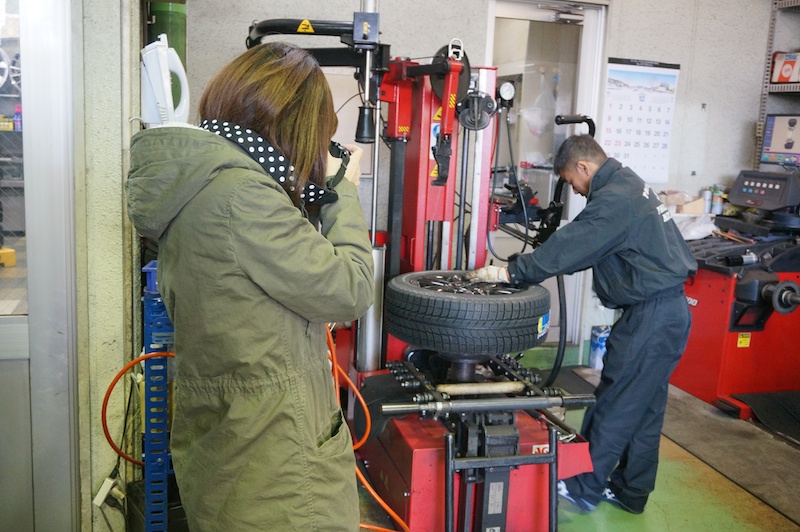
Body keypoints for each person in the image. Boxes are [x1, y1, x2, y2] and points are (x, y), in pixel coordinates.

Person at [125, 42, 374, 531]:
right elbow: (352, 287)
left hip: (232, 441)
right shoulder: (244, 197)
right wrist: (344, 188)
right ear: (295, 128)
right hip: (277, 469)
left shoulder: (203, 184)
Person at [467, 134, 697, 514]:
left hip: (652, 318)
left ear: (584, 167)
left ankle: (583, 486)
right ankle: (632, 491)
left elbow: (575, 244)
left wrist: (511, 272)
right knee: (645, 407)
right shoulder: (628, 183)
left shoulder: (615, 200)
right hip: (668, 313)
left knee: (616, 402)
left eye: (573, 181)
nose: (574, 189)